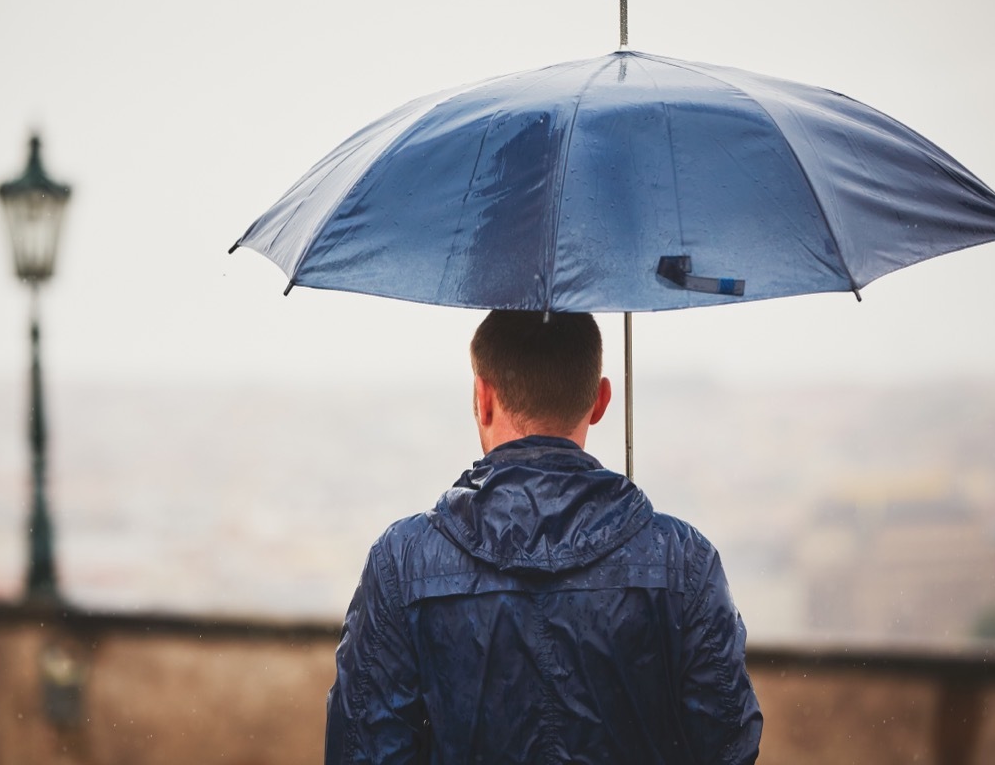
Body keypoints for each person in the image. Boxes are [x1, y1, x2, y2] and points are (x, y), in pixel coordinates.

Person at [325, 310, 762, 764]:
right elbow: (729, 744)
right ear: (600, 400)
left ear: (483, 397)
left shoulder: (403, 561)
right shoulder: (683, 560)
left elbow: (363, 751)